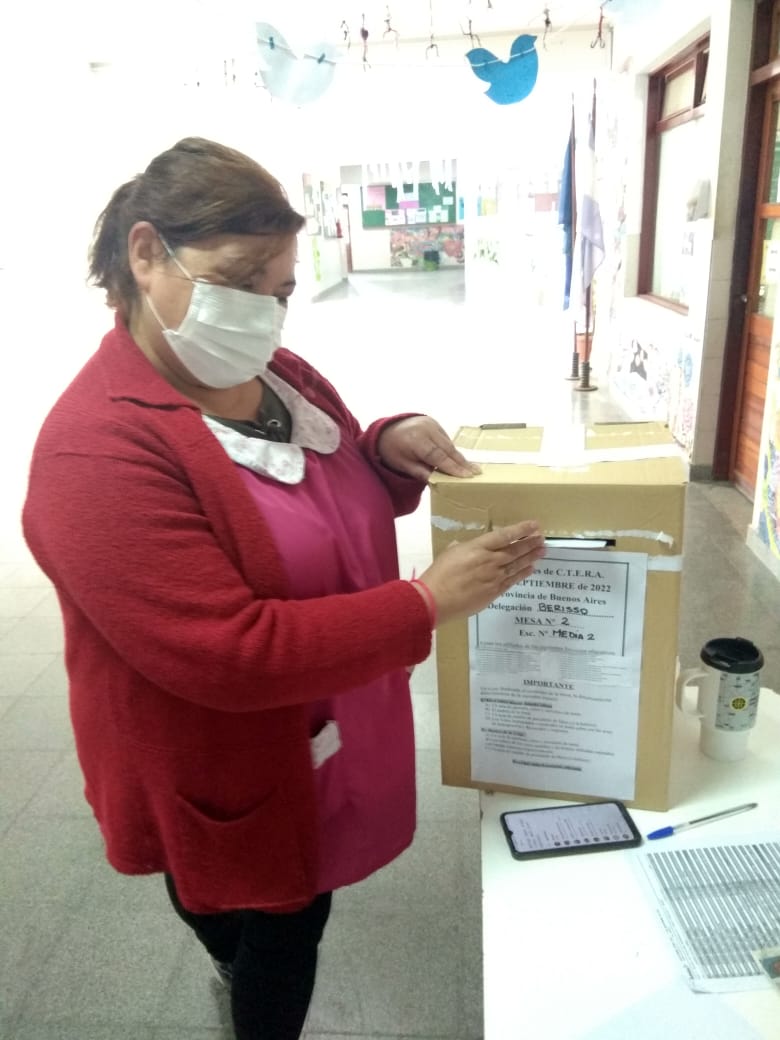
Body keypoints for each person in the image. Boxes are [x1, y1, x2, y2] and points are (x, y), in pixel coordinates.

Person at [22, 137, 545, 1040]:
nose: (264, 313)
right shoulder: (96, 452)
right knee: (275, 920)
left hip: (327, 716)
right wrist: (426, 603)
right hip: (220, 752)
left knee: (290, 894)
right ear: (145, 254)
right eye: (239, 279)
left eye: (281, 289)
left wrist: (385, 447)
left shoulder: (274, 378)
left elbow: (320, 503)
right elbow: (228, 653)